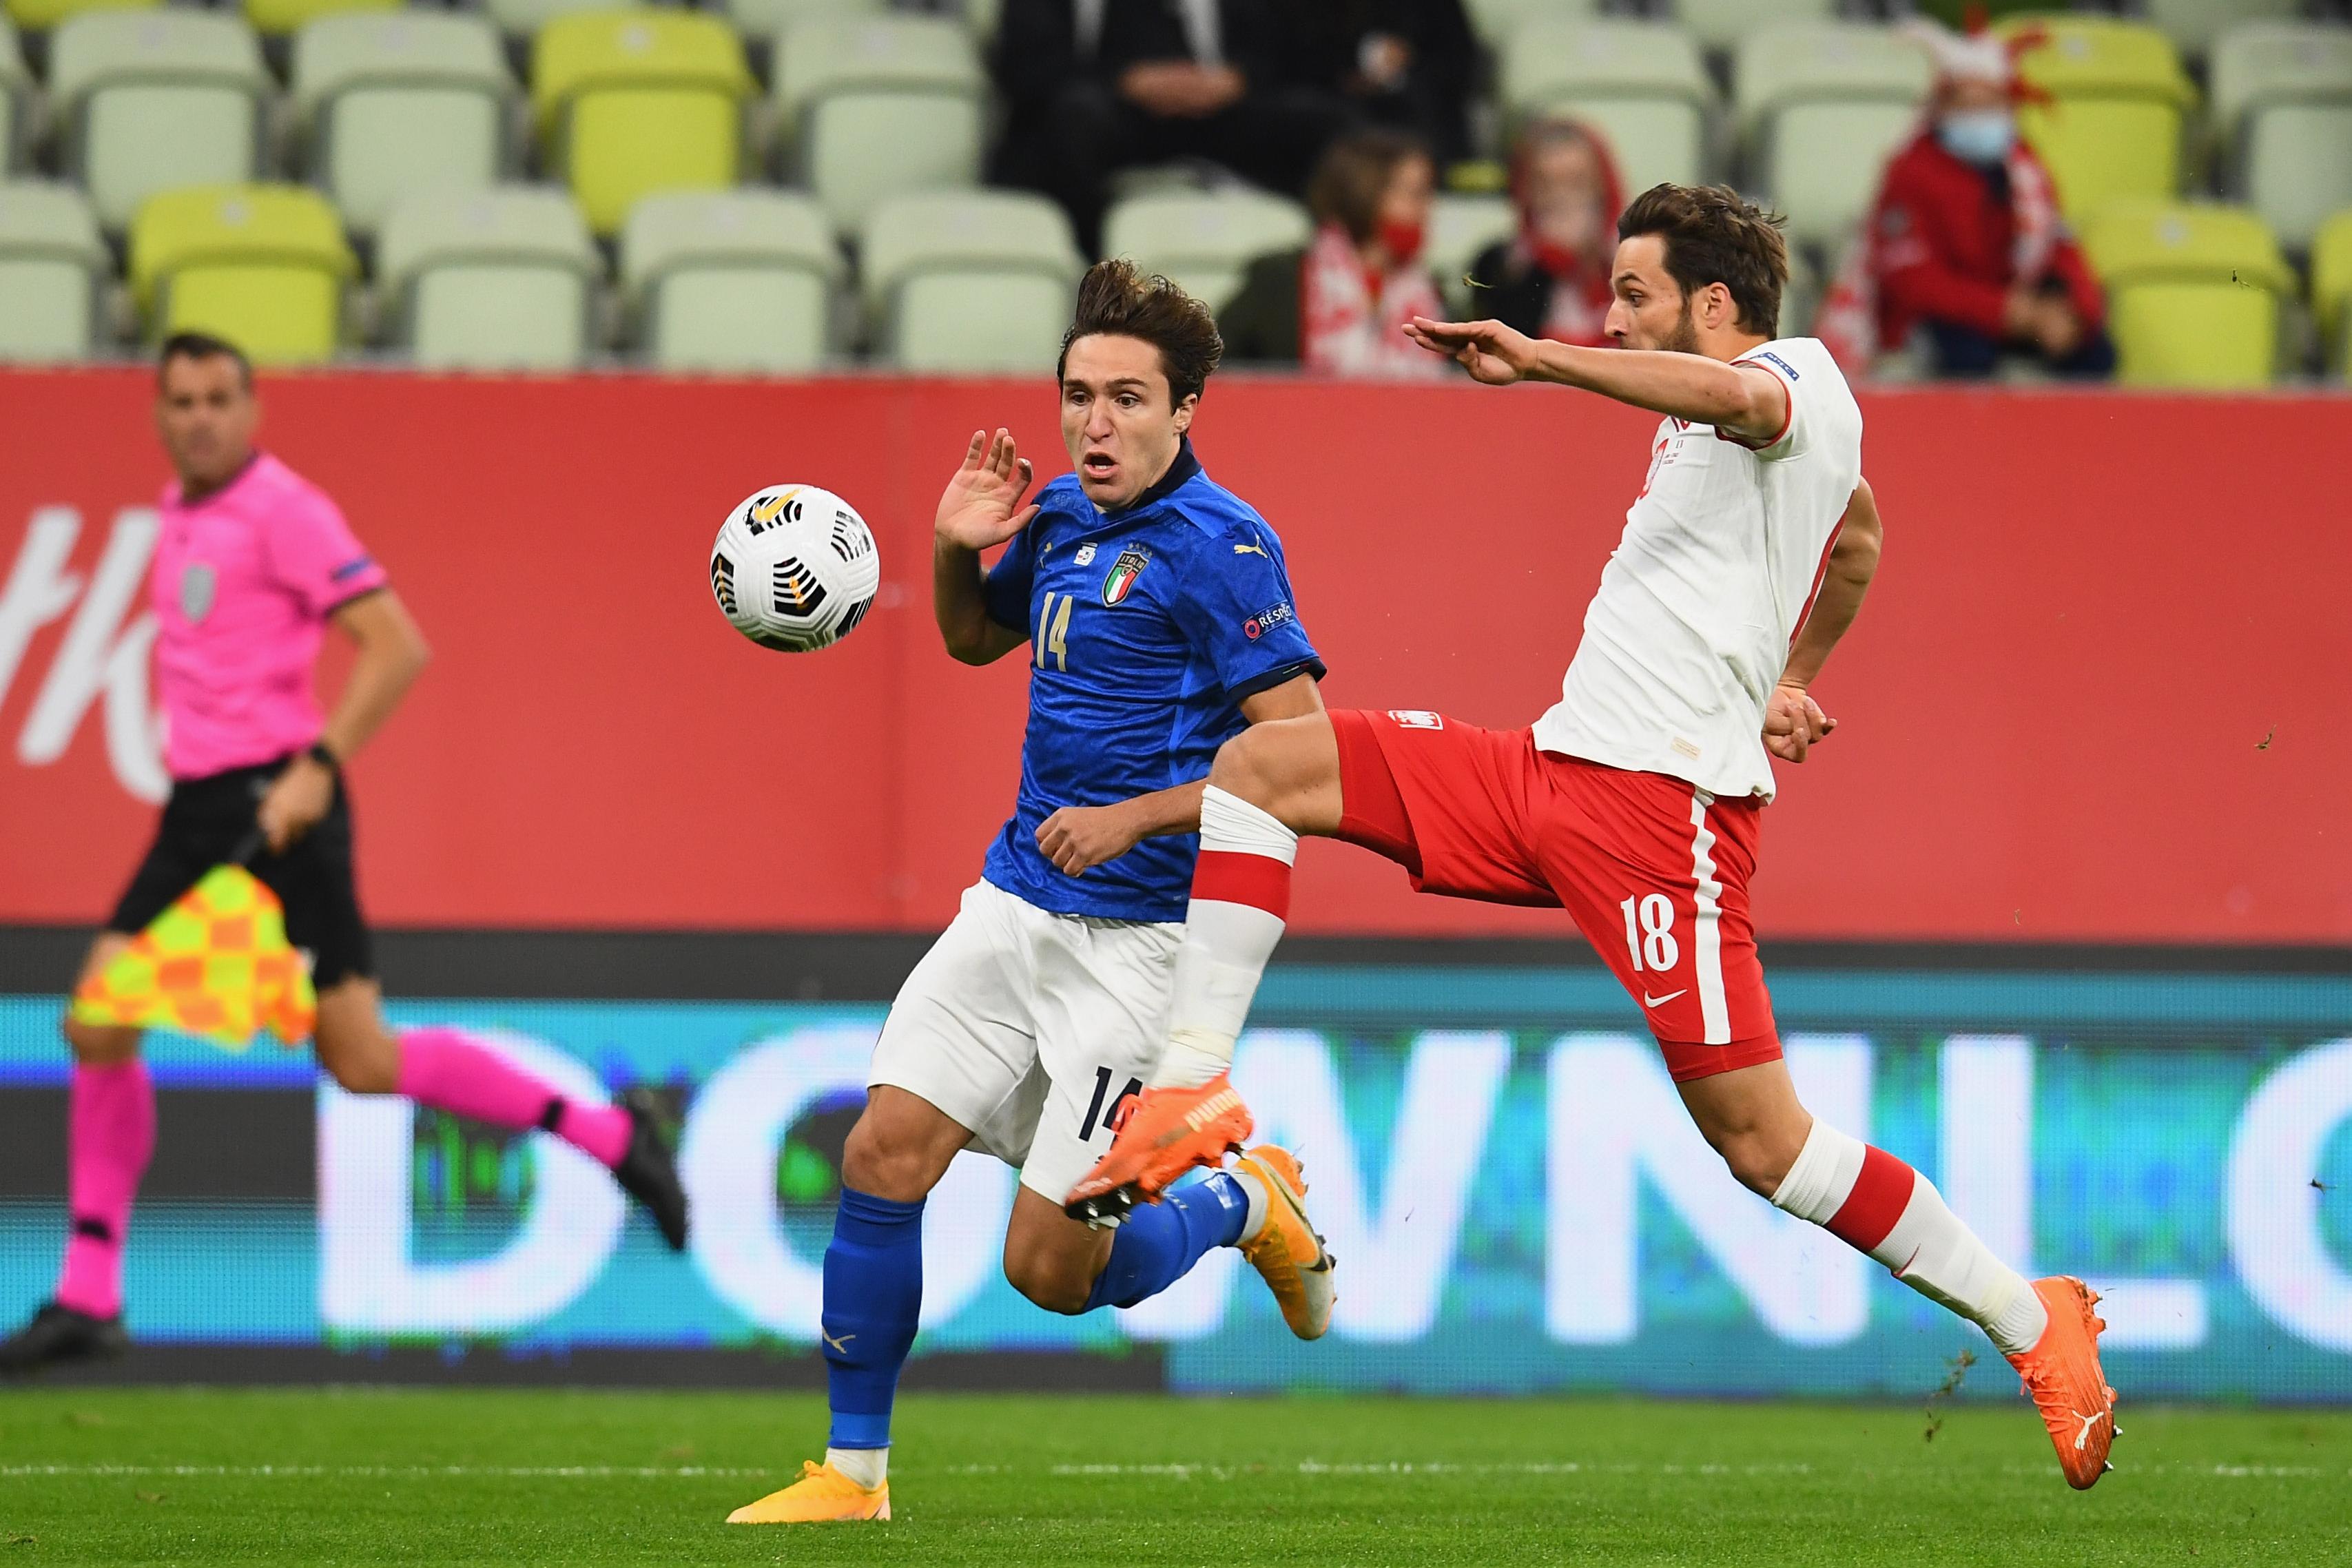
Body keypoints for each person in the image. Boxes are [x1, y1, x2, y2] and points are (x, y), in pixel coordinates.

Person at [1070, 185, 2121, 1492]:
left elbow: (1759, 419)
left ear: (1714, 306)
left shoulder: (1799, 381)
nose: (1613, 321)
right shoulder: (1726, 431)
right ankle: (1190, 1084)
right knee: (1261, 767)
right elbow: (1852, 539)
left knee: (1763, 1146)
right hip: (1548, 771)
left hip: (1658, 819)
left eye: (1634, 297)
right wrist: (1787, 676)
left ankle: (2035, 1321)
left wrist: (1539, 358)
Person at [724, 261, 1337, 1527]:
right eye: (1076, 395)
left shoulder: (1225, 550)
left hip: (1141, 945)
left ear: (1185, 411)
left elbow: (1306, 757)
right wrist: (954, 548)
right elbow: (965, 639)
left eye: (1125, 399)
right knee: (881, 1151)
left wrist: (1133, 814)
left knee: (1049, 1274)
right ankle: (853, 1478)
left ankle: (1241, 1198)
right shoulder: (1054, 516)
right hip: (1011, 907)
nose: (1094, 423)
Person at [0, 333, 688, 1374]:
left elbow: (396, 642)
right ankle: (609, 1137)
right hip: (198, 812)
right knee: (192, 1034)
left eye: (217, 399)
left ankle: (92, 1292)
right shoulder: (181, 511)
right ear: (158, 412)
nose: (198, 418)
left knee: (202, 1033)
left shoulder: (285, 509)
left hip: (278, 812)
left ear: (251, 406)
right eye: (179, 400)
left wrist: (317, 764)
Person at [1824, 21, 2112, 379]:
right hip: (1945, 321)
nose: (1980, 116)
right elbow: (1913, 282)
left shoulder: (2026, 170)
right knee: (1965, 352)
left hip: (2014, 314)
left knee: (2094, 350)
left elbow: (2062, 247)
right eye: (1967, 104)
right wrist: (2004, 311)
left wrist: (2073, 313)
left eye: (1990, 103)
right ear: (1943, 107)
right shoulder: (1911, 171)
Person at [991, 0, 1346, 254]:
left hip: (1215, 114)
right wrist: (1124, 79)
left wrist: (1238, 79)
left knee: (1320, 122)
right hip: (1109, 112)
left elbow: (1292, 54)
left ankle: (1326, 265)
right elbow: (1024, 69)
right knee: (1072, 120)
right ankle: (1092, 263)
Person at [1219, 127, 1447, 376]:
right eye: (1414, 194)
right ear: (1363, 193)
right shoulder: (1281, 280)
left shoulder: (1430, 291)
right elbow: (1215, 363)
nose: (1426, 209)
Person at [1465, 118, 1625, 349]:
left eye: (1576, 183)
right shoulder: (1499, 266)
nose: (1560, 198)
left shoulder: (1634, 261)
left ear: (1603, 188)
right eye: (1545, 185)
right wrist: (1552, 262)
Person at [1270, 0, 1477, 166]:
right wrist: (1351, 76)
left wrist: (1407, 64)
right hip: (1336, 110)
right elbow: (1290, 63)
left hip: (1420, 113)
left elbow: (1460, 63)